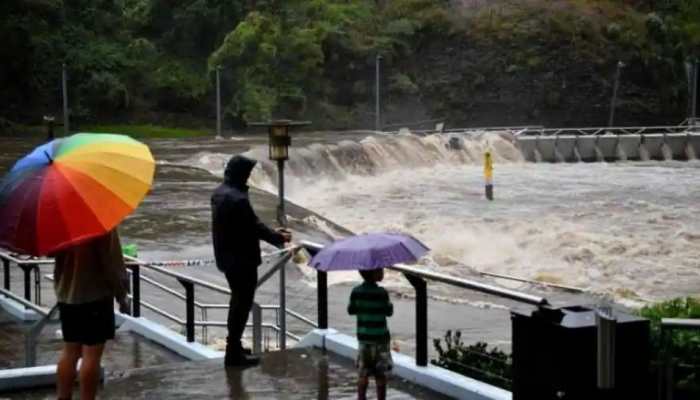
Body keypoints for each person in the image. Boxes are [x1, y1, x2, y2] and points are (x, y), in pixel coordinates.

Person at [211, 155, 291, 367]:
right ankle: (233, 354)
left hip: (226, 259)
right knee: (242, 305)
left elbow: (245, 225)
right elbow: (253, 227)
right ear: (240, 174)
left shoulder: (219, 193)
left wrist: (273, 234)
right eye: (247, 174)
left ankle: (234, 347)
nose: (248, 178)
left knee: (236, 302)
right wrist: (279, 237)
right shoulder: (237, 199)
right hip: (242, 260)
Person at [53, 229, 129, 400]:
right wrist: (121, 294)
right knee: (92, 355)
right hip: (95, 295)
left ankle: (63, 397)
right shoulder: (101, 224)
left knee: (69, 351)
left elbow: (51, 252)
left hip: (67, 296)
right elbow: (111, 262)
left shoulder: (60, 221)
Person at [348, 268, 394, 400]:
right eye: (380, 269)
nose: (383, 271)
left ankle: (361, 398)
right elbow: (389, 312)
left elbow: (351, 310)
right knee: (381, 375)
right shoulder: (382, 292)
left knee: (363, 374)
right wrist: (389, 304)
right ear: (374, 273)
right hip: (381, 340)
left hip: (364, 340)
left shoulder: (356, 291)